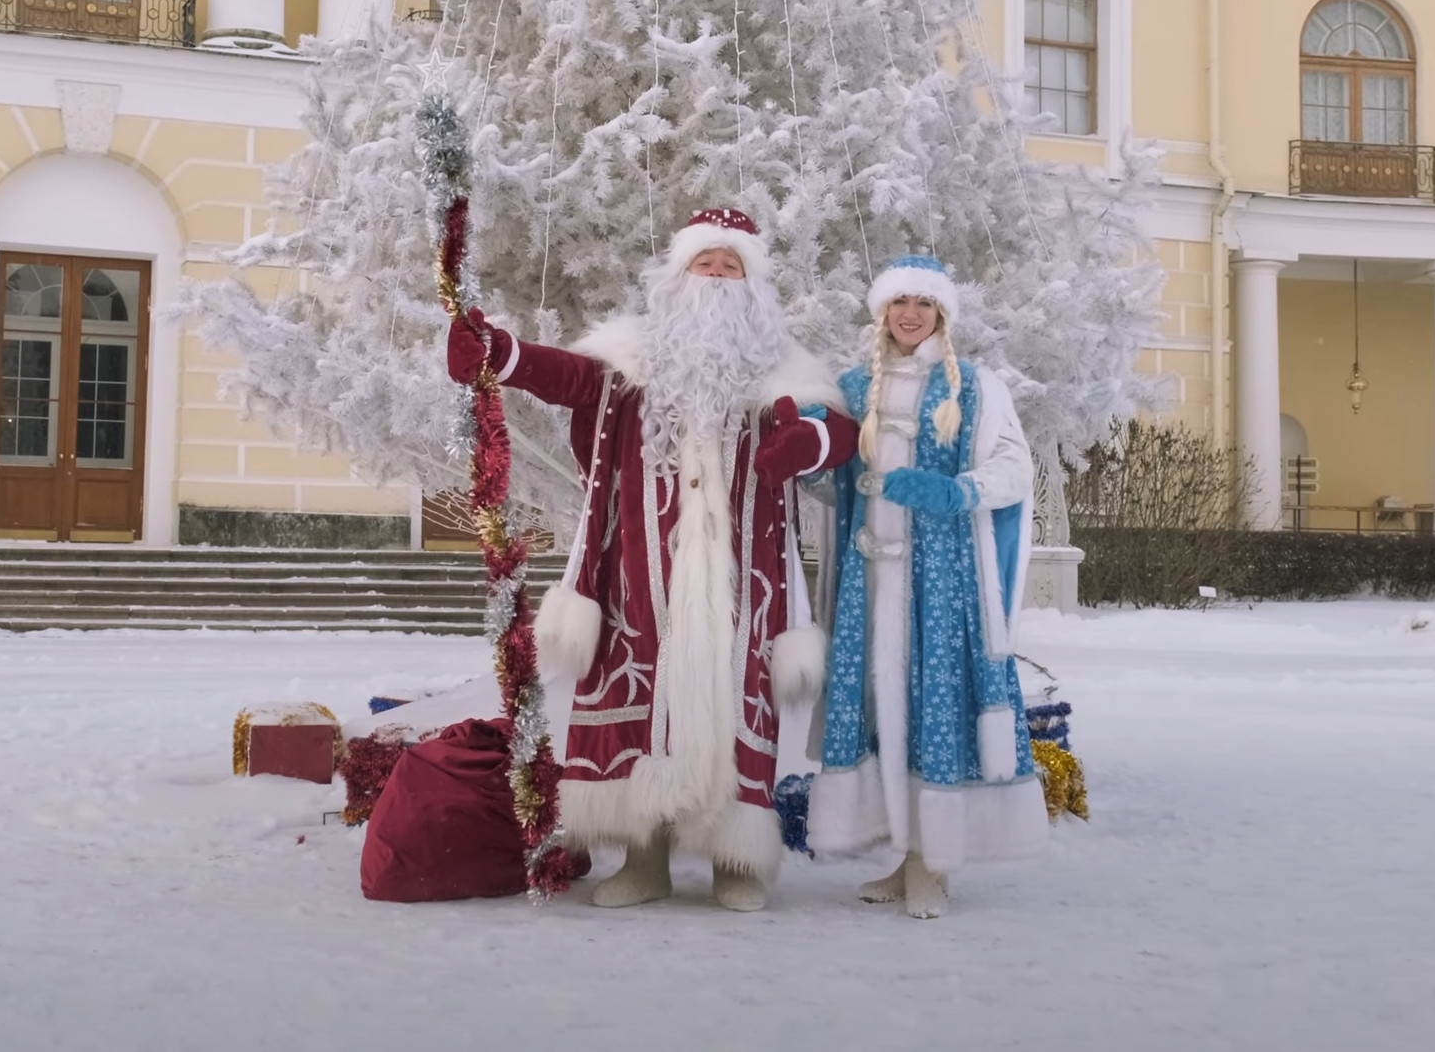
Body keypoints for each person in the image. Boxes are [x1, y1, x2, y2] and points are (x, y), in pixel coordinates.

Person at [446, 208, 858, 911]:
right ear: (676, 275)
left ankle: (738, 862)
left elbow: (837, 431)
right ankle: (644, 856)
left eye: (732, 266)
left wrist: (806, 444)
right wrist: (501, 354)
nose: (718, 276)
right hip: (642, 577)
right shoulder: (631, 357)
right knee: (643, 706)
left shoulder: (783, 369)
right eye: (706, 263)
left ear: (754, 284)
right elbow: (568, 377)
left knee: (736, 706)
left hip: (744, 586)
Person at [806, 254, 1046, 918]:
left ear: (942, 313)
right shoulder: (853, 386)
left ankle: (930, 865)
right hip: (867, 576)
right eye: (898, 302)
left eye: (923, 304)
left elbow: (1014, 469)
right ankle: (901, 852)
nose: (909, 314)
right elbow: (833, 484)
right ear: (880, 311)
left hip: (941, 581)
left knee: (931, 706)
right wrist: (804, 464)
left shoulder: (973, 386)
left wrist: (953, 489)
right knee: (881, 708)